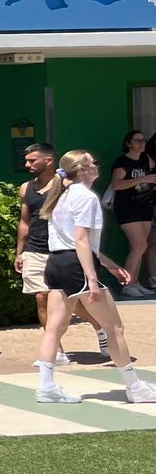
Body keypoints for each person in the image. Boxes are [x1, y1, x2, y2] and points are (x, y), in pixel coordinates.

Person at [30, 151, 149, 405]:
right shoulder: (85, 197)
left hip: (56, 264)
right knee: (114, 327)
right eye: (93, 163)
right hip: (76, 266)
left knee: (54, 328)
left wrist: (109, 265)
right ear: (83, 169)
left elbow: (77, 242)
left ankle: (46, 387)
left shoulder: (60, 195)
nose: (97, 166)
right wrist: (92, 279)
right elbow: (81, 241)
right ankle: (135, 387)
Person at [16, 141, 108, 364]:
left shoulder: (68, 187)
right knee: (42, 297)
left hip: (63, 251)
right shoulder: (26, 188)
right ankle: (56, 351)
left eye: (32, 160)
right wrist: (20, 252)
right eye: (26, 161)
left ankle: (100, 326)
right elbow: (24, 222)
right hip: (35, 251)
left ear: (48, 160)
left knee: (74, 301)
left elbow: (80, 232)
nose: (27, 165)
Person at [108, 129, 156, 298]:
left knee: (140, 246)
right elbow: (117, 185)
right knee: (139, 245)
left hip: (144, 205)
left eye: (143, 140)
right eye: (137, 140)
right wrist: (143, 179)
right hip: (127, 207)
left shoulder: (146, 159)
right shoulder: (122, 162)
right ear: (128, 143)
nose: (141, 143)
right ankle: (128, 284)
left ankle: (134, 282)